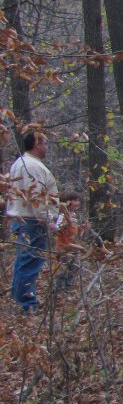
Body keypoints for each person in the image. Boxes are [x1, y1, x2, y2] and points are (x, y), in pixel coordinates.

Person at [6, 131, 59, 313]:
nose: (47, 147)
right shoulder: (31, 166)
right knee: (30, 261)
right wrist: (47, 219)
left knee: (26, 260)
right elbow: (36, 196)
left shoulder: (22, 163)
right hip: (32, 220)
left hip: (25, 218)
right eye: (45, 143)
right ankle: (26, 304)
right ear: (37, 144)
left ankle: (24, 301)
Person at [54, 189, 86, 291]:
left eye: (78, 200)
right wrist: (67, 223)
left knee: (74, 267)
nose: (77, 203)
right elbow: (57, 228)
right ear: (68, 202)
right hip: (63, 247)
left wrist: (82, 228)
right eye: (74, 200)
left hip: (74, 247)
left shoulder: (76, 216)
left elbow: (76, 232)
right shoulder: (62, 215)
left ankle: (67, 289)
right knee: (62, 268)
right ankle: (59, 289)